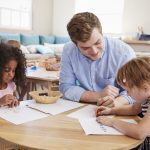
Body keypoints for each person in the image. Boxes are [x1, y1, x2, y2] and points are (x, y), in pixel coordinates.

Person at [59, 12, 136, 106]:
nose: (94, 51)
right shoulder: (69, 50)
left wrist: (116, 102)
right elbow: (66, 86)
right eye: (85, 48)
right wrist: (98, 95)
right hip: (82, 106)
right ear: (75, 45)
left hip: (119, 108)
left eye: (97, 42)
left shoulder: (124, 53)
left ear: (102, 33)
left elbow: (135, 91)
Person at [96, 57, 150, 149]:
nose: (127, 94)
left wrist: (112, 122)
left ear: (145, 88)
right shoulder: (145, 97)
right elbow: (134, 109)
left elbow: (139, 132)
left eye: (128, 91)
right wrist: (111, 111)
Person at [0, 42, 26, 107]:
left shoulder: (12, 85)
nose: (11, 74)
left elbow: (14, 99)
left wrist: (15, 101)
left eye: (13, 71)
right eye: (7, 70)